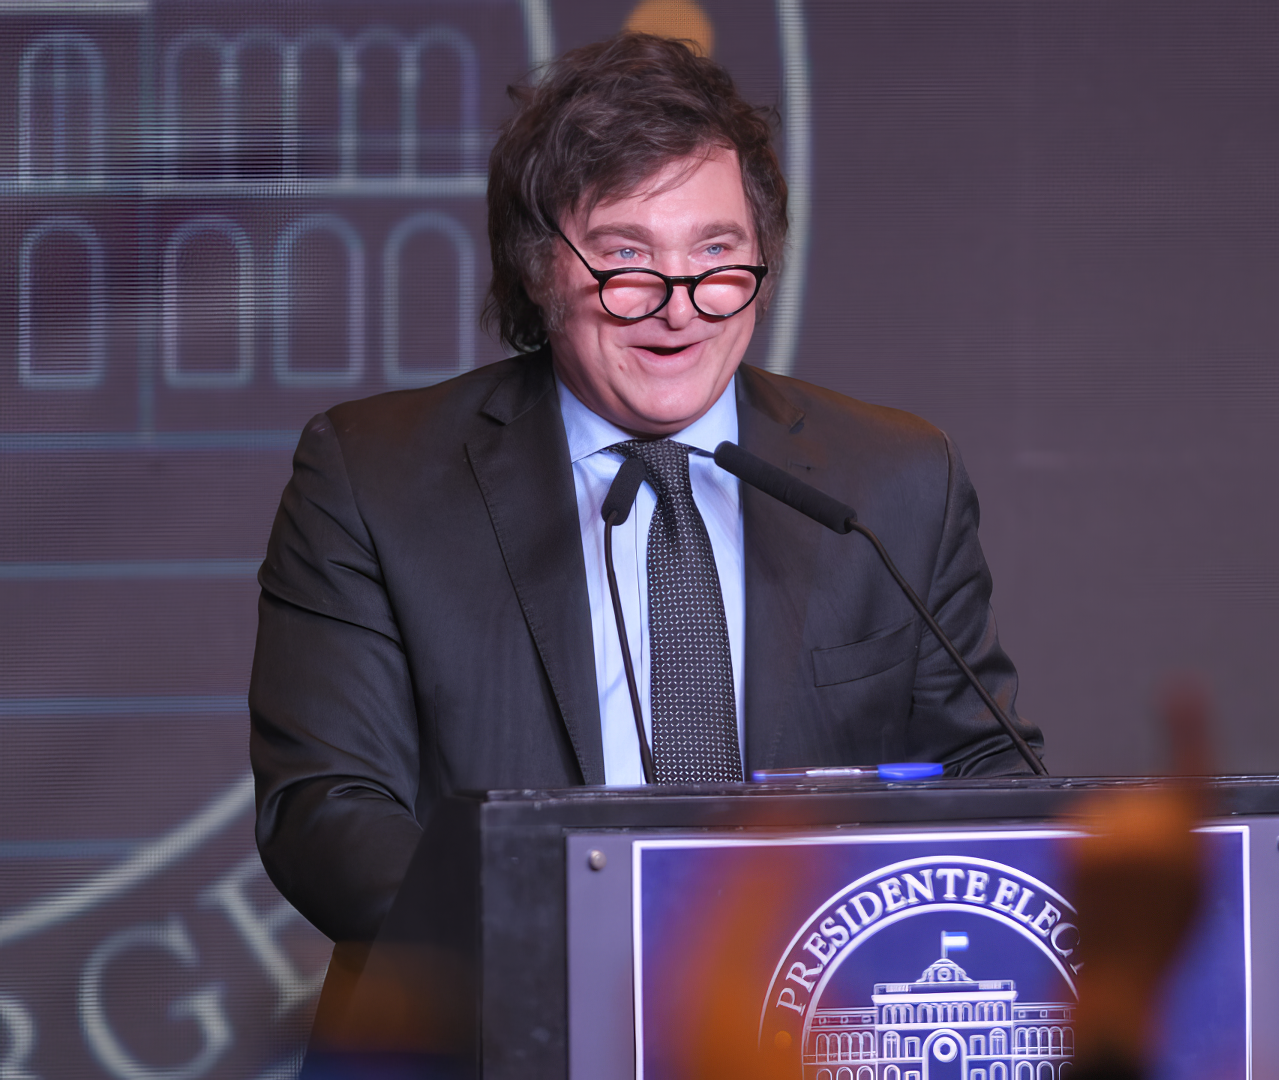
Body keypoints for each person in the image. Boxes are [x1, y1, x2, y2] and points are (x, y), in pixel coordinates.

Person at [249, 32, 1041, 946]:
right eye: (627, 258)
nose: (679, 303)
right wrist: (570, 954)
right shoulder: (372, 477)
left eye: (717, 253)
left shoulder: (897, 480)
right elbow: (328, 811)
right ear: (540, 268)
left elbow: (990, 775)